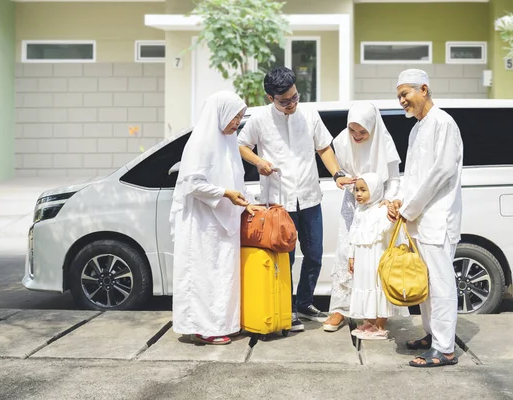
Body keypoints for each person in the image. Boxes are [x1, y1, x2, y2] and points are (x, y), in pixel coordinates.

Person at [237, 67, 352, 332]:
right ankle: (285, 309)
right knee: (283, 259)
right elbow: (242, 145)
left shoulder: (308, 113)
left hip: (309, 197)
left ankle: (305, 303)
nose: (292, 104)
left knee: (314, 254)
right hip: (278, 201)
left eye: (294, 97)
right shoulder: (259, 119)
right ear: (270, 98)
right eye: (285, 101)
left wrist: (337, 174)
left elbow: (323, 147)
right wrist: (259, 162)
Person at [170, 91, 262, 345]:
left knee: (223, 275)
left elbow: (236, 179)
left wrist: (246, 201)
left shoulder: (229, 143)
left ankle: (223, 324)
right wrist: (225, 194)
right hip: (201, 223)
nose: (237, 123)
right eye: (235, 117)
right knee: (203, 274)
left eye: (240, 118)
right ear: (220, 114)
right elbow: (192, 184)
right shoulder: (201, 143)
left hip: (223, 220)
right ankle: (202, 327)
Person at [387, 69, 463, 367]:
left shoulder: (444, 123)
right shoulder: (418, 128)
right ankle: (433, 336)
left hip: (438, 218)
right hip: (418, 218)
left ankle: (445, 349)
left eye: (405, 94)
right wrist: (399, 201)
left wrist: (408, 209)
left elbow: (441, 173)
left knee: (442, 284)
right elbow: (413, 176)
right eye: (399, 96)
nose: (402, 101)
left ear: (424, 90)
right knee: (427, 284)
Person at [323, 102, 402, 332]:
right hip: (353, 202)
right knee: (345, 253)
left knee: (374, 260)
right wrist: (351, 184)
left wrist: (388, 199)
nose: (356, 136)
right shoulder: (341, 141)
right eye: (352, 130)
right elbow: (342, 174)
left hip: (378, 208)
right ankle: (340, 309)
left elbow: (394, 179)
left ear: (373, 128)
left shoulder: (384, 143)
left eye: (363, 132)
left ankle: (376, 313)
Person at [347, 173, 410, 340]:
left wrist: (391, 210)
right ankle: (370, 320)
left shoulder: (381, 210)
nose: (358, 194)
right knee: (365, 285)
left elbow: (390, 228)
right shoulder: (359, 211)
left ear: (374, 191)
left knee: (378, 287)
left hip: (376, 258)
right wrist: (351, 256)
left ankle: (380, 324)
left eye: (363, 190)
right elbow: (353, 235)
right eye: (356, 190)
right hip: (362, 259)